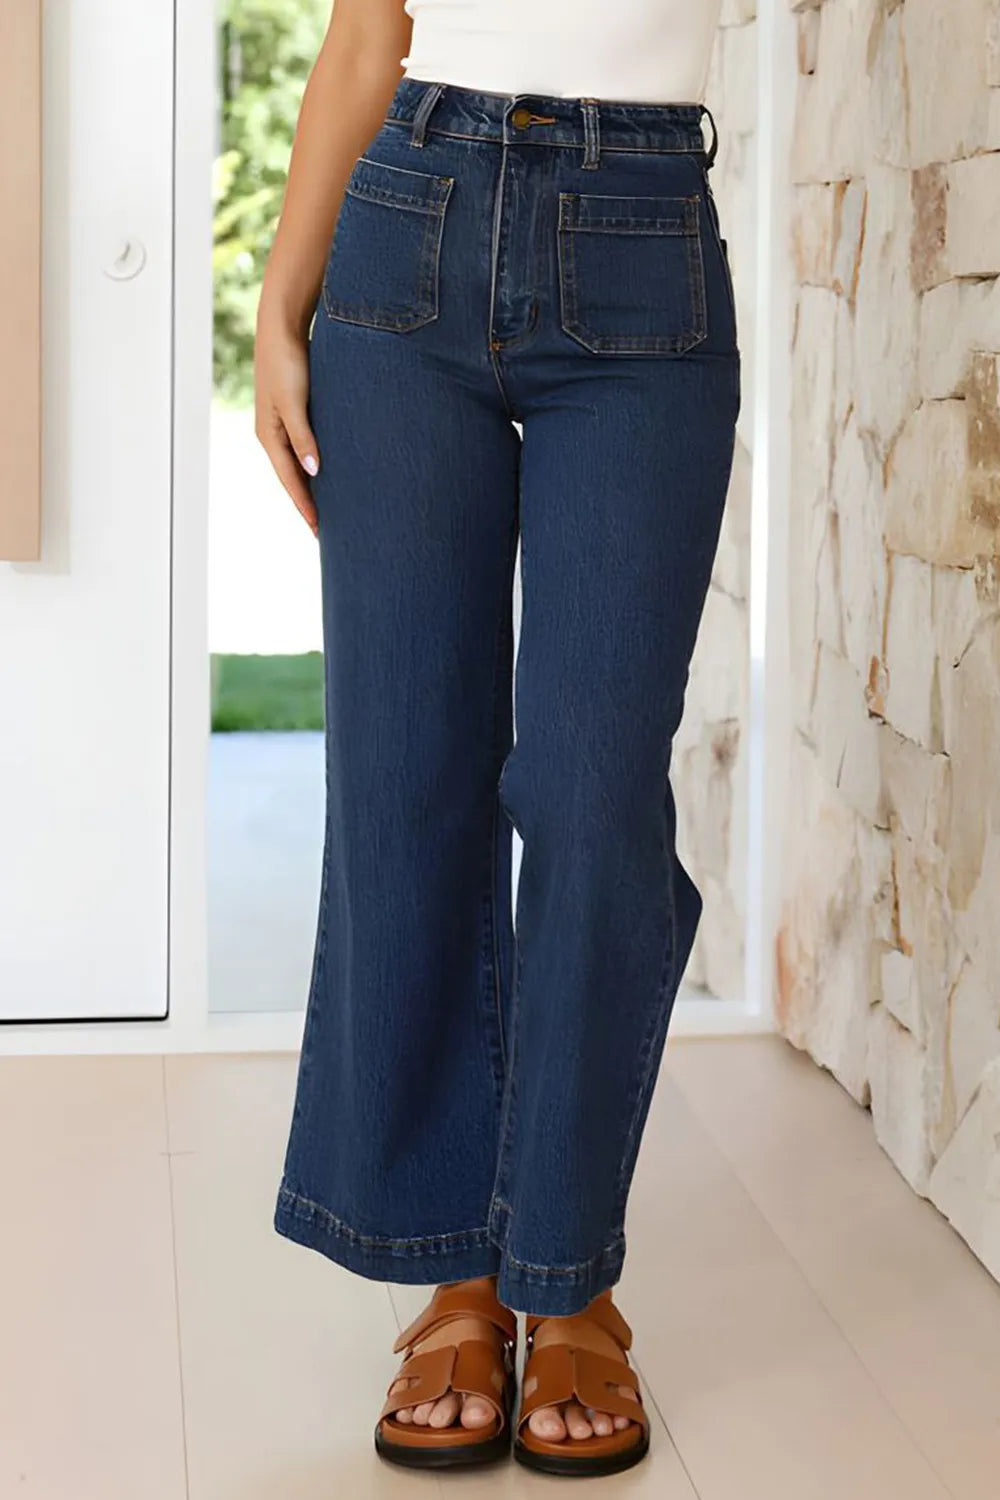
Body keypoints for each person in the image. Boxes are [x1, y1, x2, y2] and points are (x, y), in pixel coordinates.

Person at [254, 0, 735, 1477]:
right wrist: (280, 312)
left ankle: (568, 1271)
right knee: (406, 786)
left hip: (643, 231)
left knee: (592, 799)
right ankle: (461, 1268)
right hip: (411, 225)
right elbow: (362, 40)